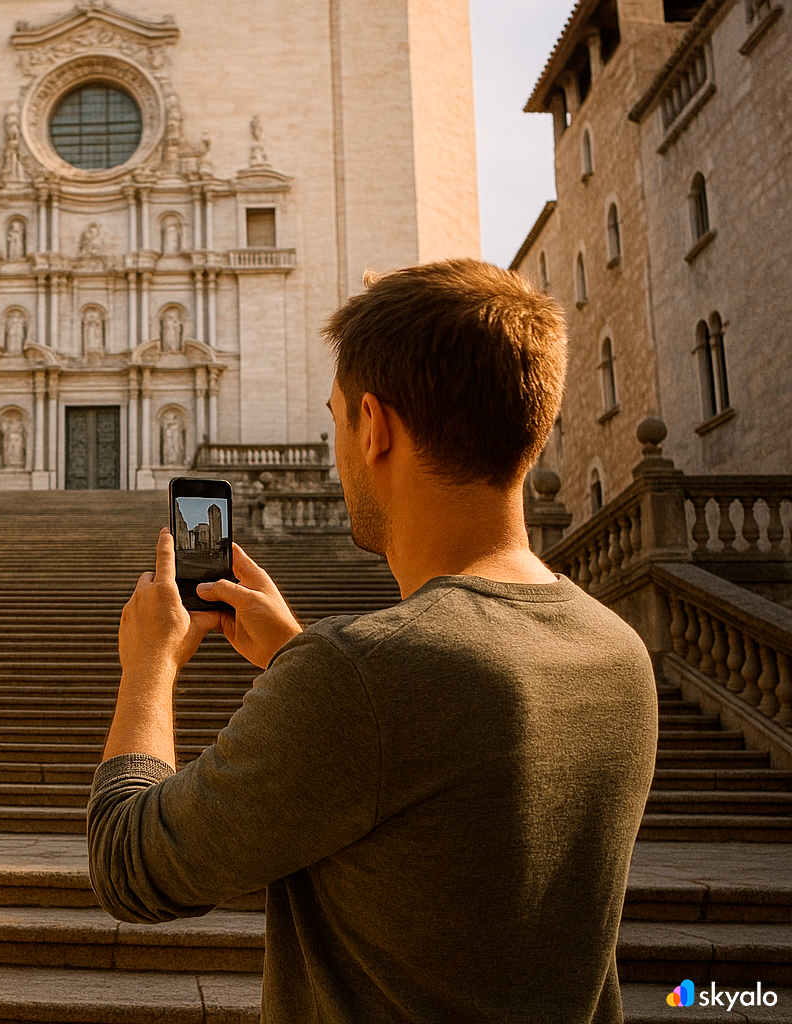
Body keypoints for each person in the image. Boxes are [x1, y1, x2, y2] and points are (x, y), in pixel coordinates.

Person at [87, 259, 658, 1024]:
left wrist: (150, 667)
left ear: (374, 425)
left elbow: (129, 864)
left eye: (334, 420)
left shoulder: (361, 677)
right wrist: (298, 656)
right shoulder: (617, 649)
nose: (336, 450)